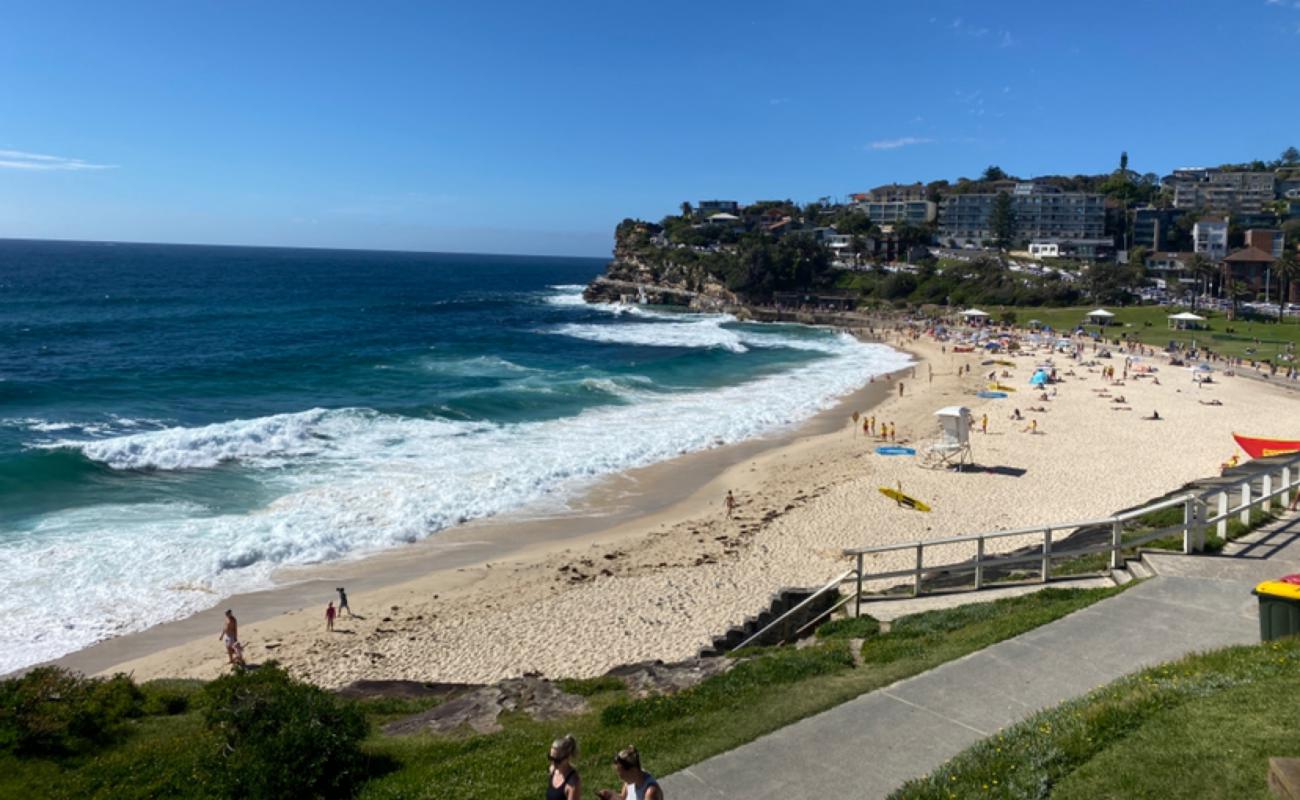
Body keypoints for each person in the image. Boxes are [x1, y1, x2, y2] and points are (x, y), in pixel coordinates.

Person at [548, 734, 582, 800]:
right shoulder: (553, 771)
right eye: (551, 758)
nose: (553, 763)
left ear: (568, 757)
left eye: (558, 760)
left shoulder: (573, 782)